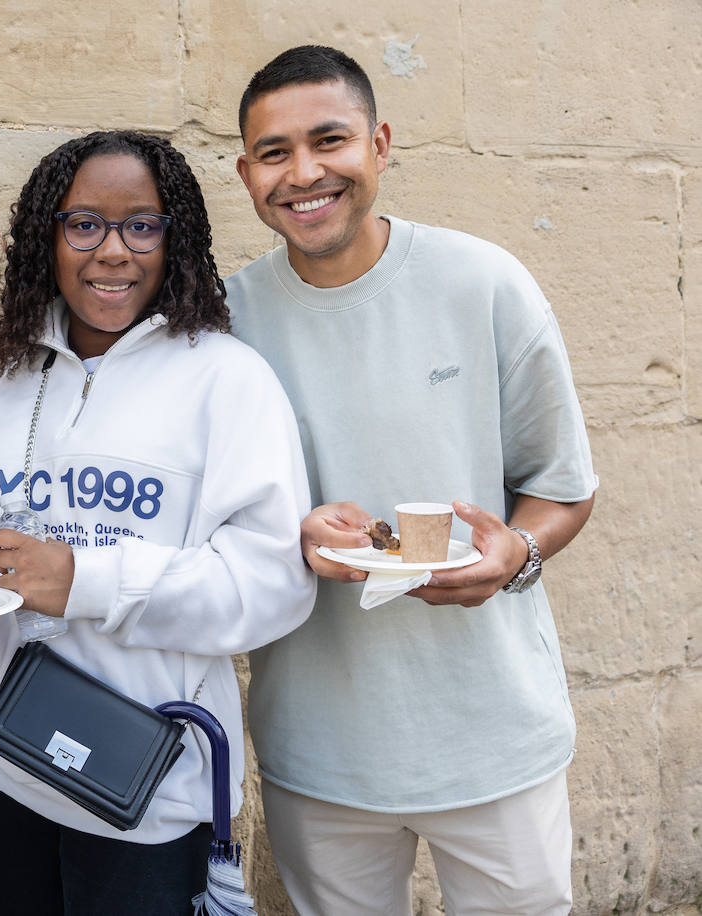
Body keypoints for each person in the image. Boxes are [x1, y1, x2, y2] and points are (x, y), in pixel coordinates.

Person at [225, 45, 598, 915]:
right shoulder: (227, 318)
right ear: (247, 174)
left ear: (380, 145)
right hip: (321, 747)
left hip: (495, 732)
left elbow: (564, 487)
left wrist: (519, 553)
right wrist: (292, 535)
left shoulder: (486, 284)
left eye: (330, 141)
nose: (305, 174)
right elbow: (211, 517)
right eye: (275, 154)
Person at [0, 129, 316, 915]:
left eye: (141, 225)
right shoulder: (2, 386)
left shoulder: (227, 381)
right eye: (85, 225)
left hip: (144, 777)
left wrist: (86, 581)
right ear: (49, 236)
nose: (113, 251)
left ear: (175, 240)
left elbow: (273, 583)